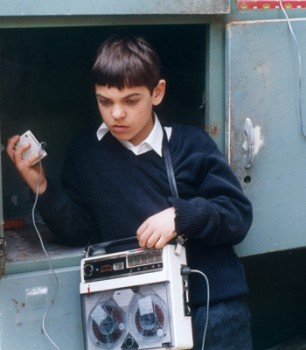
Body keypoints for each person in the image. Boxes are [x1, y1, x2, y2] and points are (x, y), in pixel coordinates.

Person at [6, 35, 253, 349]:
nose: (116, 114)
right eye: (105, 101)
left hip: (213, 308)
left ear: (157, 92)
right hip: (141, 314)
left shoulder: (191, 144)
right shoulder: (85, 152)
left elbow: (238, 216)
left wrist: (180, 216)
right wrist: (40, 184)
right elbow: (79, 229)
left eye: (130, 100)